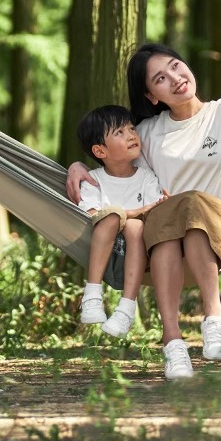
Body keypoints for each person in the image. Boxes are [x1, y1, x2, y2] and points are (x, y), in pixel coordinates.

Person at [67, 0, 221, 379]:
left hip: (211, 229)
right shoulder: (148, 133)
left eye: (176, 66)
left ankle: (212, 319)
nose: (176, 78)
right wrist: (76, 168)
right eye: (160, 79)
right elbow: (113, 159)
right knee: (169, 219)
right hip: (162, 234)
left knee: (193, 204)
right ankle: (174, 343)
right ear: (152, 97)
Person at [75, 104, 167, 338]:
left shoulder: (147, 178)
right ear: (100, 151)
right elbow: (93, 214)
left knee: (134, 225)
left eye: (131, 128)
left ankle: (126, 308)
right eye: (119, 132)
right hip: (104, 254)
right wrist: (136, 211)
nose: (131, 135)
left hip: (137, 254)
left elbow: (154, 211)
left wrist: (135, 214)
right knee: (112, 215)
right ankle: (93, 295)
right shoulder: (93, 180)